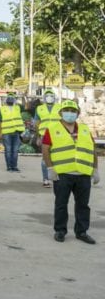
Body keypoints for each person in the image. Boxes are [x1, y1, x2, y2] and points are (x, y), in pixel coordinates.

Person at [42, 100, 100, 244]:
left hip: (83, 174)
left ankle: (81, 232)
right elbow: (45, 149)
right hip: (63, 174)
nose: (70, 113)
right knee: (61, 204)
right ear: (61, 113)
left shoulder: (85, 129)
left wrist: (95, 169)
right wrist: (50, 168)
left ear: (78, 114)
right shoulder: (52, 128)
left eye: (73, 111)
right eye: (67, 110)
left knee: (83, 205)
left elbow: (92, 150)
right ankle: (60, 231)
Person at [35, 89, 61, 187]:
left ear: (54, 97)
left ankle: (57, 176)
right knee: (45, 157)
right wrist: (37, 136)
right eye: (47, 96)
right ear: (44, 98)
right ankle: (46, 179)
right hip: (44, 135)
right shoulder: (39, 108)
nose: (49, 97)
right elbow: (37, 123)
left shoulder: (60, 107)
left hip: (57, 135)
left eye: (51, 95)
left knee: (58, 156)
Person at [0, 91, 23, 172]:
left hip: (16, 132)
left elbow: (27, 107)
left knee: (15, 151)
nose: (10, 99)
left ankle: (14, 166)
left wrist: (21, 96)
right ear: (6, 99)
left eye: (12, 97)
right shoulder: (1, 109)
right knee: (8, 150)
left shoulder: (18, 107)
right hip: (6, 132)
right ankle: (9, 167)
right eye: (9, 97)